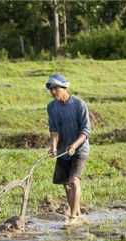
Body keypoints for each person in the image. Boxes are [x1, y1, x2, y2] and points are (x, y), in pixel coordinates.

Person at [46, 74, 91, 225]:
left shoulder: (79, 104)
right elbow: (54, 131)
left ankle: (72, 217)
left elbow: (85, 131)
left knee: (73, 181)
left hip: (79, 149)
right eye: (51, 90)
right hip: (62, 150)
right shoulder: (51, 107)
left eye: (55, 89)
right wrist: (53, 147)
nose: (53, 92)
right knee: (66, 183)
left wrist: (74, 145)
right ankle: (76, 212)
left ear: (64, 88)